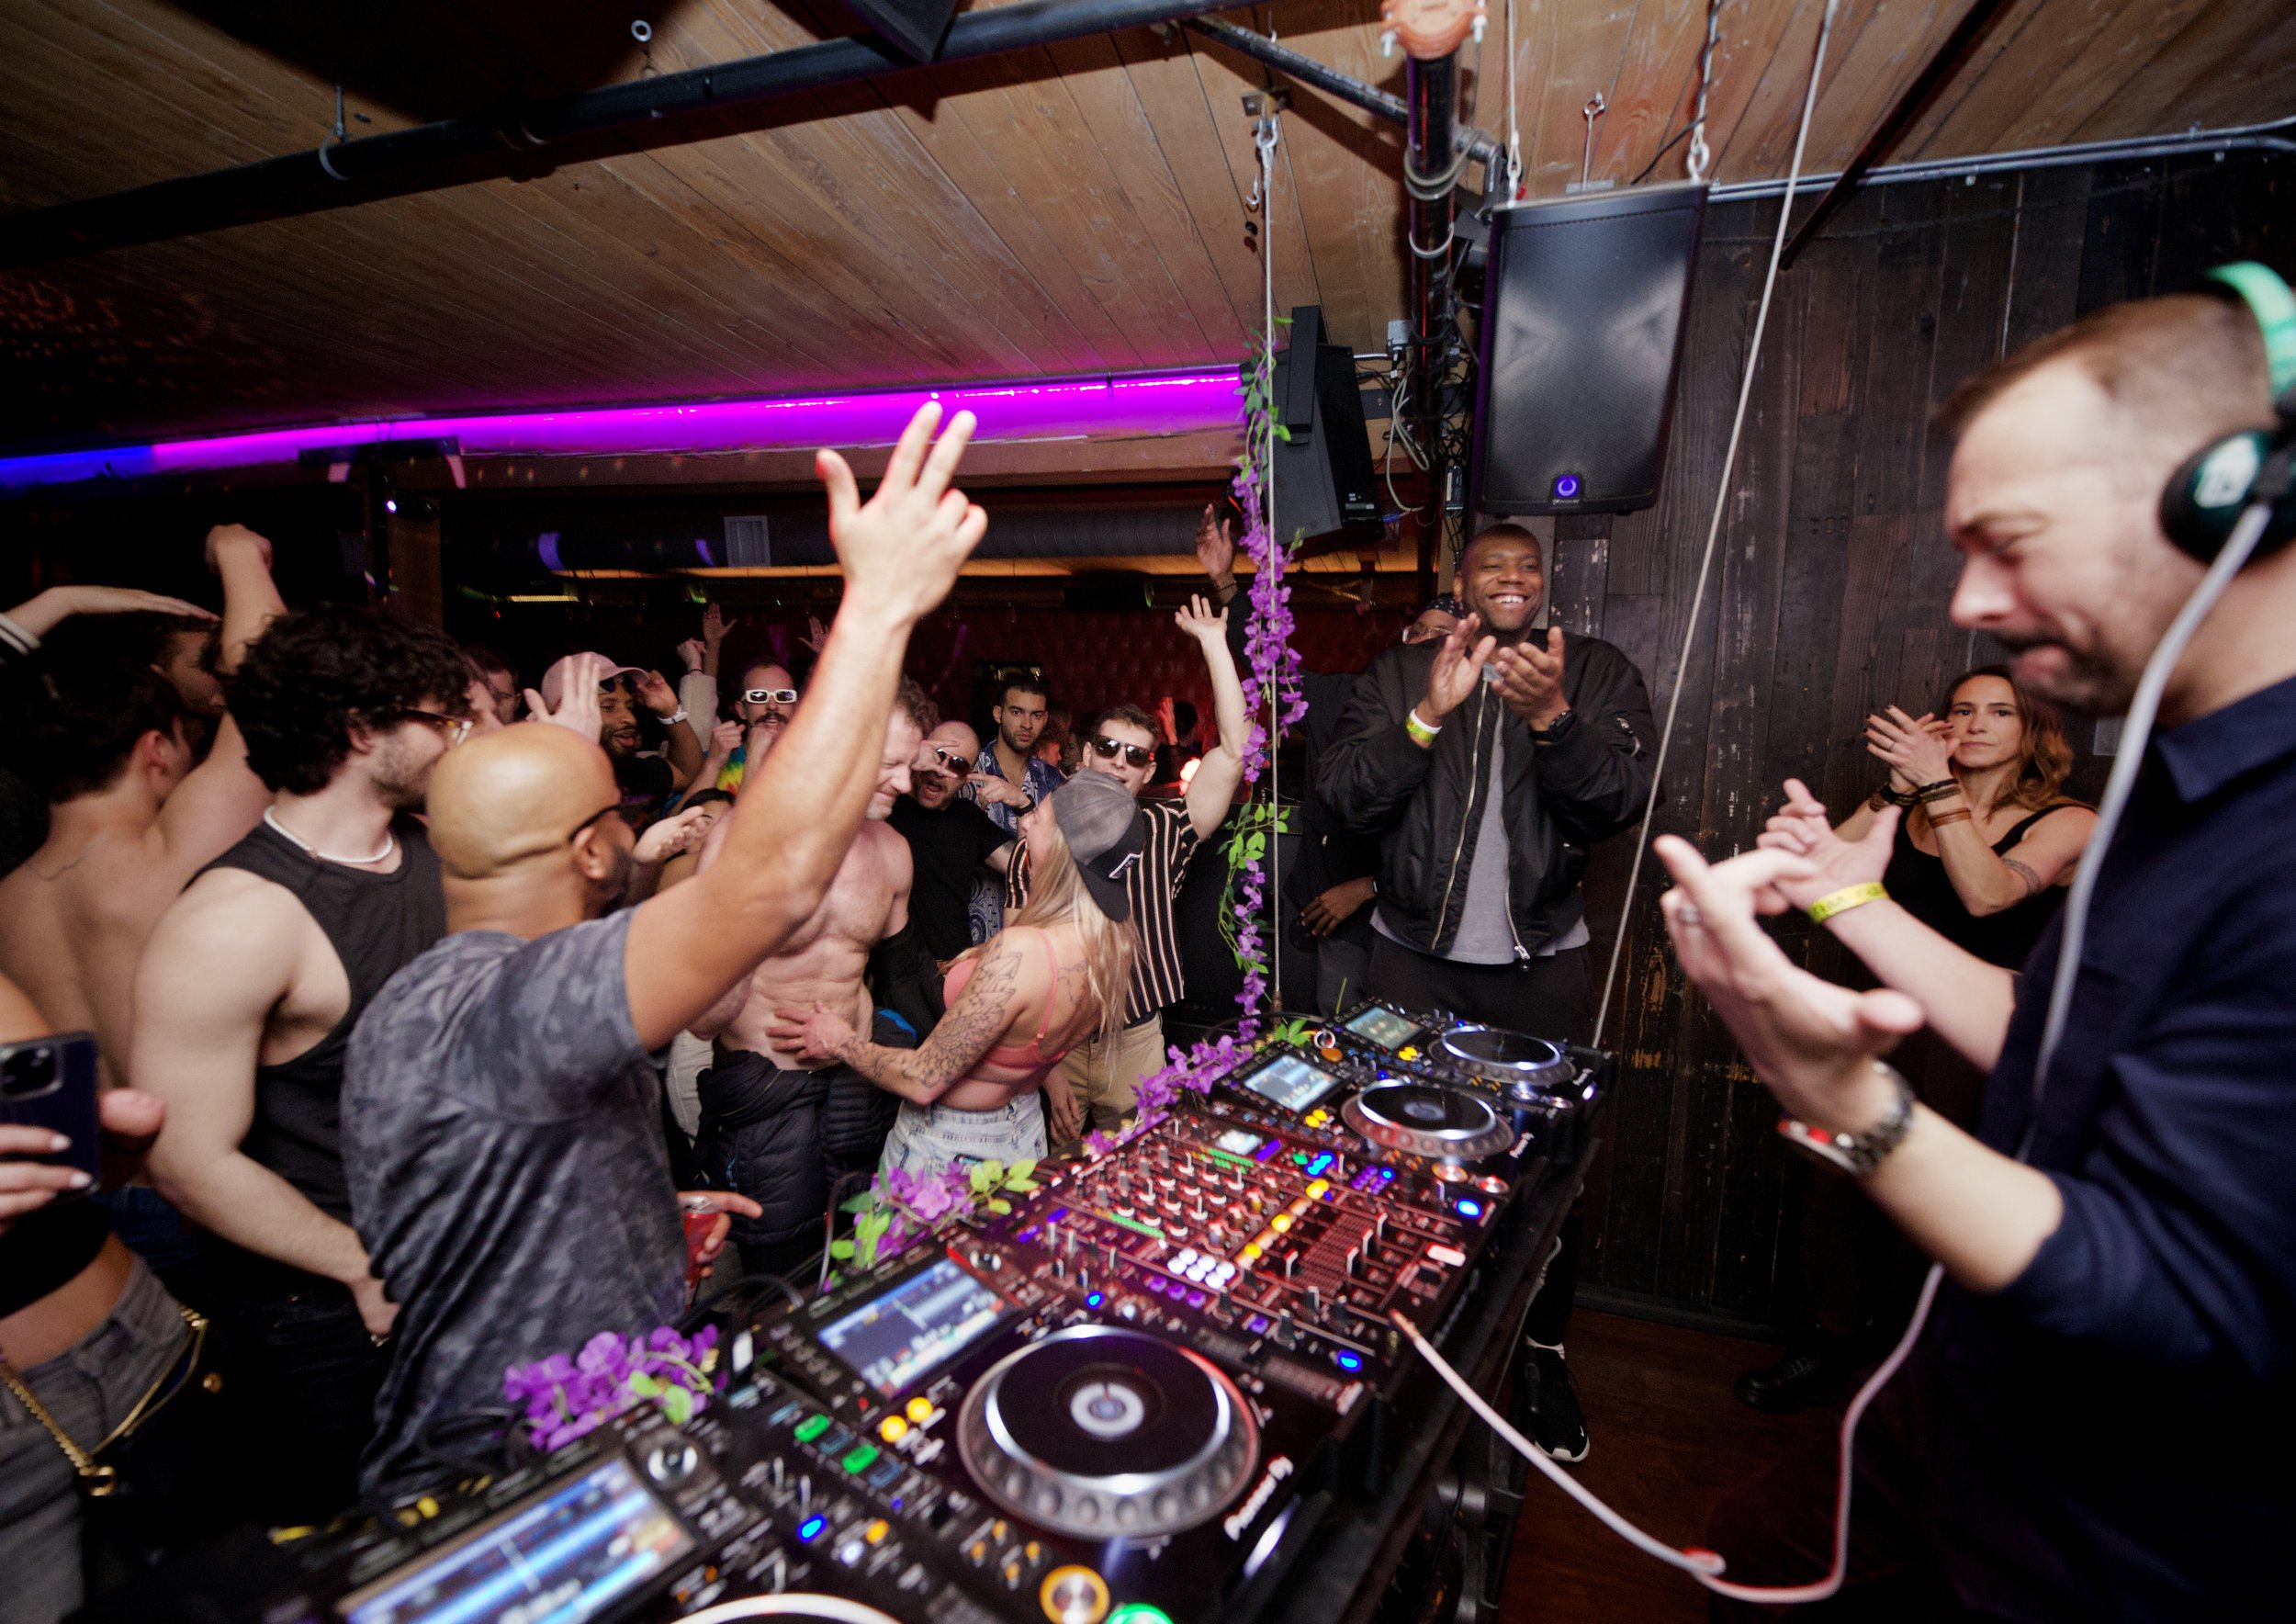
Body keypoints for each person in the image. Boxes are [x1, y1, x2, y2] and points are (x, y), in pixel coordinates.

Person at [1661, 288, 2296, 1619]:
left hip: (2114, 1542)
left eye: (2011, 542)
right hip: (1971, 1415)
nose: (1970, 600)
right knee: (1749, 1546)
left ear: (2227, 498)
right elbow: (2050, 1030)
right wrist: (1845, 901)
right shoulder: (2185, 783)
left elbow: (2181, 1294)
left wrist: (1851, 1107)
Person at [343, 400, 986, 1498]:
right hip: (513, 1482)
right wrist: (877, 608)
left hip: (535, 1432)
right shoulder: (528, 1000)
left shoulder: (422, 998)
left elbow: (493, 1202)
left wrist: (641, 1218)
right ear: (598, 849)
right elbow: (771, 881)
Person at [129, 605, 478, 1522]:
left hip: (448, 1270)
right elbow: (186, 1160)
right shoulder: (239, 917)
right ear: (361, 731)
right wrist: (359, 1265)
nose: (456, 741)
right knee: (361, 1547)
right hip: (328, 1314)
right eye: (440, 720)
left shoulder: (432, 853)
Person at [1316, 521, 1654, 1463]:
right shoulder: (1401, 672)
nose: (1512, 577)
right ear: (1460, 582)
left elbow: (1616, 802)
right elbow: (1344, 798)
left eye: (1527, 566)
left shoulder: (1592, 670)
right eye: (1492, 565)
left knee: (1548, 1179)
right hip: (1411, 963)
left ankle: (1539, 1353)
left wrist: (1554, 717)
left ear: (1545, 584)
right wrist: (1427, 713)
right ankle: (1402, 1347)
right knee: (1393, 1160)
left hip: (1540, 968)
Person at [1737, 667, 2096, 1413]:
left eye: (2000, 712)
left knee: (1942, 1195)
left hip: (1983, 1033)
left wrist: (1935, 788)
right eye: (1961, 710)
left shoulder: (2068, 821)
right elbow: (1811, 872)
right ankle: (1832, 1337)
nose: (1976, 723)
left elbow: (1988, 895)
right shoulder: (1913, 808)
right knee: (1839, 1180)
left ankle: (1925, 1365)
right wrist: (1897, 791)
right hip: (1884, 1015)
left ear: (2035, 731)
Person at [0, 528, 282, 1088]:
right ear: (156, 748)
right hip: (191, 1138)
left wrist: (62, 601)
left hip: (76, 1141)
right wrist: (236, 549)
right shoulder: (173, 852)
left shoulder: (8, 900)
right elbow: (271, 680)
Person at [683, 680, 937, 1278]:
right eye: (890, 765)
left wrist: (963, 1039)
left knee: (864, 1254)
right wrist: (742, 930)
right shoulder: (745, 844)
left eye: (909, 766)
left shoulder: (892, 850)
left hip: (856, 1084)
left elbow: (904, 973)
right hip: (770, 1095)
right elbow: (701, 1018)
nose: (904, 784)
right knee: (780, 1277)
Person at [0, 974, 225, 1624]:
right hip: (13, 1467)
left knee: (256, 1588)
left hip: (147, 1353)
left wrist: (108, 1151)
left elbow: (60, 1176)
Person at [776, 773, 1136, 1173]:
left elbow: (922, 1079)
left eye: (1039, 818)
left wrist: (840, 1041)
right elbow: (1028, 1041)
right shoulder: (1112, 947)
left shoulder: (1023, 951)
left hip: (955, 1149)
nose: (1026, 824)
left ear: (1062, 849)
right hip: (1022, 1132)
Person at [1199, 502, 1463, 1011]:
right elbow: (1270, 665)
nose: (1429, 642)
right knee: (1336, 1032)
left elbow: (1453, 845)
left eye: (1444, 636)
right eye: (1420, 632)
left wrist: (1368, 888)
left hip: (1415, 932)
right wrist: (1226, 581)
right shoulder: (1349, 697)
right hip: (1337, 925)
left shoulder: (1468, 727)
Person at [1005, 596, 1247, 1137]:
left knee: (1139, 1166)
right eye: (1109, 747)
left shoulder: (1165, 827)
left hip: (1135, 1041)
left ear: (1148, 772)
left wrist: (1213, 642)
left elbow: (1234, 751)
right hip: (1056, 1046)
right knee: (1056, 1176)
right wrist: (1046, 1070)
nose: (1119, 761)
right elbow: (1013, 967)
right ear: (1086, 755)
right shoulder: (1039, 842)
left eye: (1135, 755)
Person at [889, 720, 1016, 968]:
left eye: (957, 765)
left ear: (968, 776)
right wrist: (904, 758)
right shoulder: (886, 803)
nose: (942, 771)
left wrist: (1023, 806)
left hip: (950, 968)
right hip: (895, 972)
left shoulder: (967, 818)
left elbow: (1025, 868)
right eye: (938, 756)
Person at [536, 655, 703, 824]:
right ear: (562, 712)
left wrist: (670, 713)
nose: (630, 719)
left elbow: (684, 771)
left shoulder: (624, 772)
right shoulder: (536, 779)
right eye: (608, 707)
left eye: (629, 707)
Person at [966, 670, 1064, 943]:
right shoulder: (970, 773)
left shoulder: (1053, 780)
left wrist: (1024, 804)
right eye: (1017, 712)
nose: (1027, 724)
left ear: (1045, 718)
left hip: (1035, 933)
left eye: (1036, 715)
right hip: (975, 931)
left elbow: (1062, 860)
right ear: (998, 714)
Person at [715, 657, 801, 795]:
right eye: (758, 696)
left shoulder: (816, 758)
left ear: (795, 707)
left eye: (784, 696)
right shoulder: (725, 765)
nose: (772, 706)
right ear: (742, 710)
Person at [462, 644, 521, 727]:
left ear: (517, 702)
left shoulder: (532, 733)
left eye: (501, 697)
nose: (493, 706)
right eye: (480, 696)